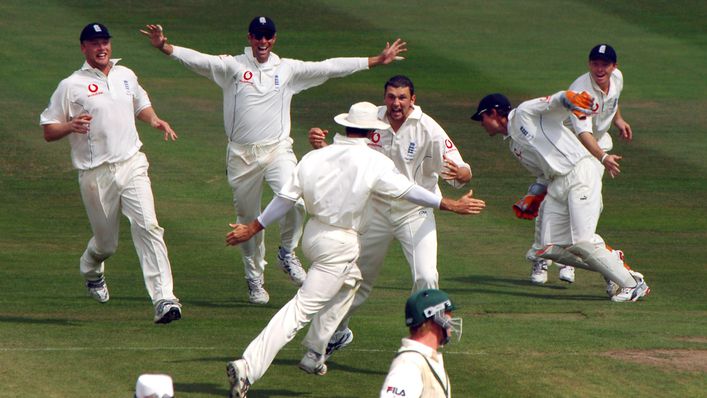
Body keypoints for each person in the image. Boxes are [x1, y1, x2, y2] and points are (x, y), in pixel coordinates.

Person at [223, 102, 485, 398]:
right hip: (340, 244)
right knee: (300, 310)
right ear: (373, 131)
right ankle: (248, 366)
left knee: (353, 281)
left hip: (314, 237)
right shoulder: (375, 162)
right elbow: (408, 191)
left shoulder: (315, 156)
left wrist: (253, 227)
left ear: (346, 126)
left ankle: (320, 347)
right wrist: (449, 204)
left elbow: (284, 198)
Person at [140, 18, 407, 304]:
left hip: (277, 149)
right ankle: (254, 277)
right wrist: (164, 47)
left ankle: (287, 252)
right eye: (258, 37)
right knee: (247, 220)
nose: (263, 42)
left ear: (274, 39)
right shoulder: (233, 67)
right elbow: (200, 61)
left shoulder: (287, 69)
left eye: (268, 37)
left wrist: (376, 60)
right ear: (250, 37)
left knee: (296, 200)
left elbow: (328, 67)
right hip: (242, 156)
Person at [308, 75, 472, 361]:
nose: (396, 103)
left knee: (425, 275)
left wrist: (462, 173)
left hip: (415, 211)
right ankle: (337, 333)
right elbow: (343, 154)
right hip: (376, 211)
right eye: (391, 97)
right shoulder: (371, 121)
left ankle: (427, 343)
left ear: (413, 100)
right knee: (356, 279)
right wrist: (321, 145)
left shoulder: (428, 128)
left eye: (402, 97)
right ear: (384, 98)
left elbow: (460, 166)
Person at [39, 22, 182, 324]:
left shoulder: (125, 75)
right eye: (94, 43)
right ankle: (91, 269)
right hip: (95, 174)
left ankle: (164, 299)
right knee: (107, 244)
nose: (101, 48)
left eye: (105, 42)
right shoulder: (71, 85)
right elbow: (49, 130)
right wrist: (71, 126)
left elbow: (139, 103)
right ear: (84, 48)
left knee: (148, 226)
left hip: (132, 163)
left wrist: (155, 121)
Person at [470, 91, 649, 302]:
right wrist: (533, 196)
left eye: (482, 118)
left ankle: (632, 284)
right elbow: (543, 174)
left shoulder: (524, 113)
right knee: (546, 247)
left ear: (493, 113)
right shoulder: (514, 145)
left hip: (579, 172)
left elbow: (554, 101)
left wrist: (569, 97)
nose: (481, 124)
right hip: (557, 184)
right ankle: (611, 262)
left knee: (582, 242)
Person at [521, 44, 635, 291]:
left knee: (587, 206)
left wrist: (618, 119)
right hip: (572, 149)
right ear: (588, 64)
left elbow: (613, 101)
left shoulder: (617, 78)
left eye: (604, 64)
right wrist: (603, 158)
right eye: (595, 63)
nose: (599, 69)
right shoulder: (581, 90)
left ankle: (579, 261)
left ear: (614, 67)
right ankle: (546, 260)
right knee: (555, 204)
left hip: (598, 145)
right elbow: (583, 133)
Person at [380, 288, 460, 398]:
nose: (450, 323)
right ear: (437, 319)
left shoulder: (425, 359)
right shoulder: (408, 364)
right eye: (448, 315)